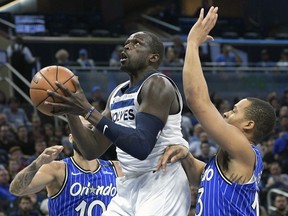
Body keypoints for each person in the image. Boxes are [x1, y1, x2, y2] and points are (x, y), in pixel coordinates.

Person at [44, 30, 191, 215]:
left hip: (162, 181)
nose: (127, 46)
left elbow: (141, 147)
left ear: (153, 58)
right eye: (127, 43)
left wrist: (87, 111)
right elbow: (92, 150)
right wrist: (71, 112)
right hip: (129, 184)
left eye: (137, 43)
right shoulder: (117, 94)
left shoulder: (158, 85)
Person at [159, 6, 276, 215]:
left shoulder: (244, 149)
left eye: (234, 111)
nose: (226, 113)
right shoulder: (235, 158)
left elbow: (197, 100)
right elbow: (207, 175)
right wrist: (186, 155)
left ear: (249, 125)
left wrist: (193, 43)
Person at [9, 117, 122, 216]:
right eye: (80, 130)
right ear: (71, 137)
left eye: (90, 129)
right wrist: (38, 163)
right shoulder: (56, 169)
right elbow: (16, 190)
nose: (84, 135)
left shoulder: (116, 168)